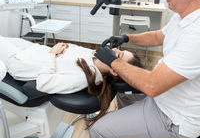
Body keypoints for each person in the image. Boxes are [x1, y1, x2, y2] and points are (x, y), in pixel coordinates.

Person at [90, 0, 200, 138]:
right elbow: (159, 36)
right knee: (125, 91)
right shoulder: (184, 17)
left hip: (175, 118)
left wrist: (113, 61)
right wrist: (127, 38)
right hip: (166, 99)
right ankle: (130, 134)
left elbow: (152, 86)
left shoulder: (196, 34)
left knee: (98, 131)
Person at [0, 36, 142, 125]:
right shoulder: (94, 56)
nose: (115, 49)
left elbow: (43, 84)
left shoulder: (83, 77)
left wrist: (52, 54)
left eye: (119, 54)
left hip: (18, 62)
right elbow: (73, 48)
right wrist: (64, 47)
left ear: (114, 70)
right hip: (31, 50)